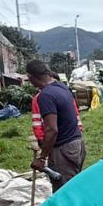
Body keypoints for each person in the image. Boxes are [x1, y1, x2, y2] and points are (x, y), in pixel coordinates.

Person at [26, 59, 86, 190]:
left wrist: (42, 158)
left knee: (65, 193)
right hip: (77, 144)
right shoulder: (61, 87)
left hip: (64, 150)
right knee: (74, 186)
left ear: (31, 77)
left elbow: (52, 129)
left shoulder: (46, 95)